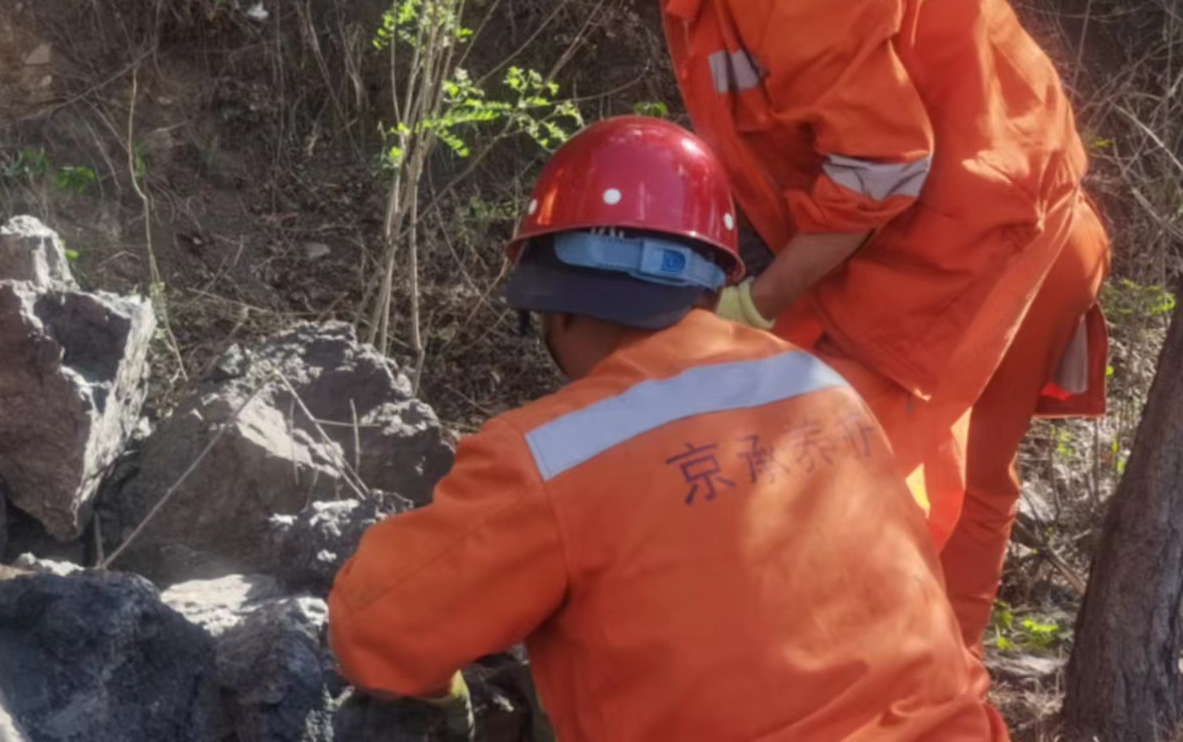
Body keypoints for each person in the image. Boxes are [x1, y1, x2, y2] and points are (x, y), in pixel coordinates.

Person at [494, 0, 1110, 644]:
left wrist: (762, 300)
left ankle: (897, 692)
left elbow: (884, 166)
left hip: (986, 242)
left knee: (848, 489)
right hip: (948, 231)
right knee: (946, 490)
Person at [329, 116, 1011, 740]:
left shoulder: (551, 456)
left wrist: (448, 700)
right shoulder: (825, 389)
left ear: (553, 308)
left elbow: (378, 628)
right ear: (712, 289)